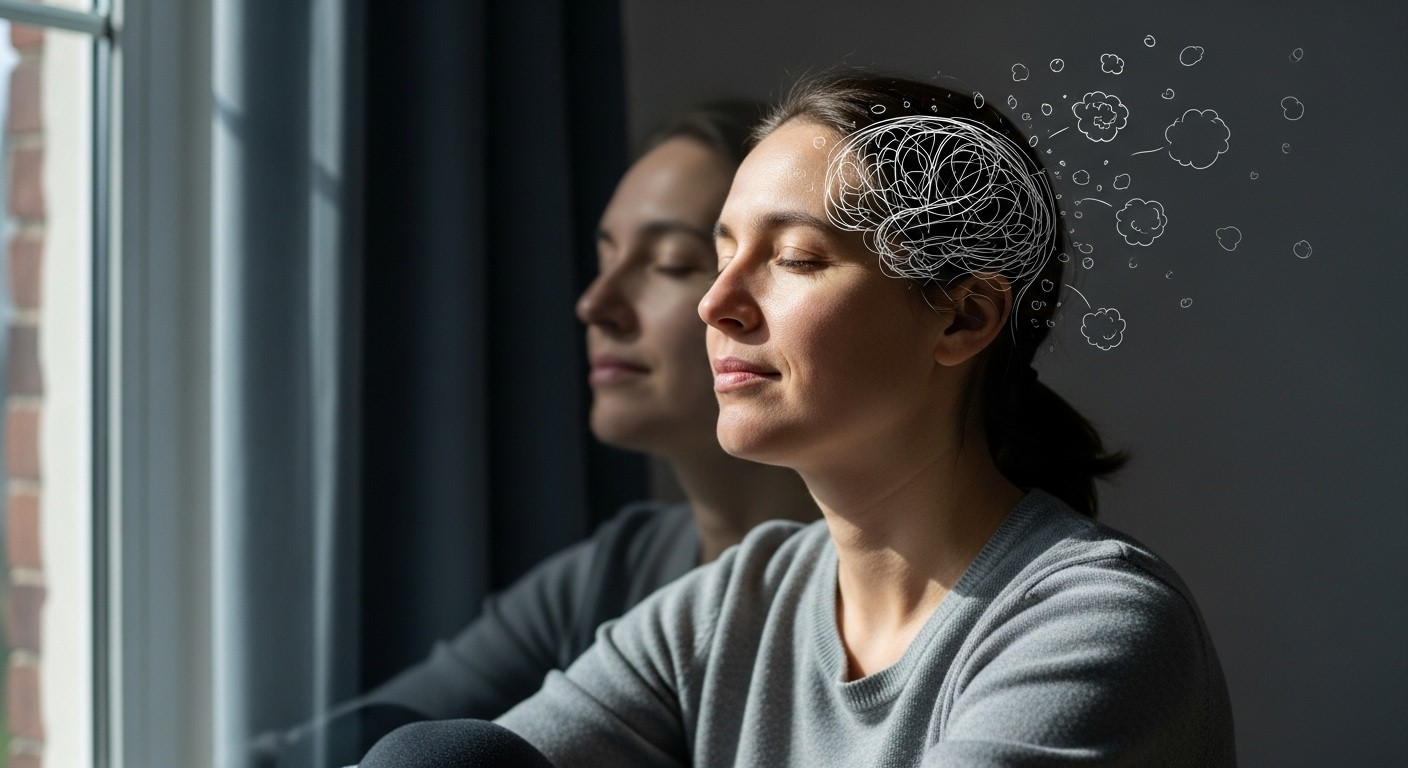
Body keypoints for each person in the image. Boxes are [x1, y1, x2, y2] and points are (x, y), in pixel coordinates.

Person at [478, 71, 1235, 766]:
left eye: (796, 259)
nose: (716, 304)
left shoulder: (1093, 629)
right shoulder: (730, 608)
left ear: (963, 320)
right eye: (721, 255)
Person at [248, 102, 818, 768]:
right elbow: (350, 740)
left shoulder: (915, 617)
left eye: (669, 263)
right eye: (604, 257)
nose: (594, 302)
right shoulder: (617, 571)